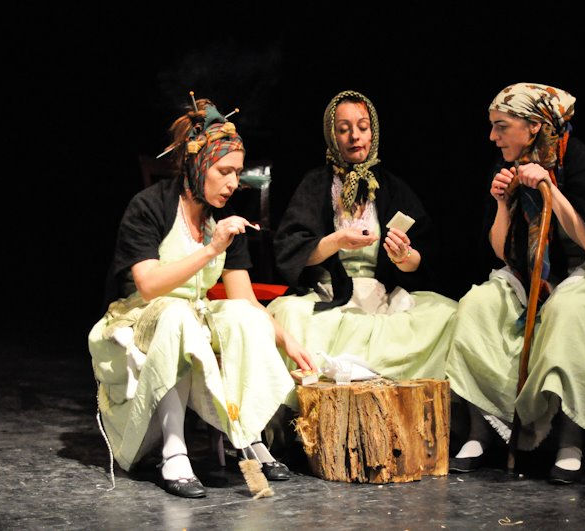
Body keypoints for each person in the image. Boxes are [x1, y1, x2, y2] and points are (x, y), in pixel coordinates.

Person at [88, 99, 316, 498]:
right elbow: (148, 285)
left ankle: (247, 435)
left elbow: (246, 301)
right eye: (223, 171)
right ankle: (174, 452)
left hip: (194, 315)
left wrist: (287, 340)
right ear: (197, 166)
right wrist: (212, 249)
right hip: (140, 317)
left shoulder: (222, 218)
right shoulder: (150, 206)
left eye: (237, 173)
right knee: (176, 314)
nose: (233, 183)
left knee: (245, 319)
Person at [445, 83, 585, 483]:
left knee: (566, 310)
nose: (493, 137)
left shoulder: (579, 160)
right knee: (477, 305)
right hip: (531, 276)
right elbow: (501, 252)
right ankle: (480, 432)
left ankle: (570, 441)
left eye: (501, 126)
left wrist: (550, 188)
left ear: (533, 126)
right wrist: (501, 204)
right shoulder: (507, 164)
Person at [268, 90, 456, 388]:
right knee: (290, 314)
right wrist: (336, 241)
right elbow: (291, 249)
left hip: (381, 297)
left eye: (363, 127)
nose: (355, 136)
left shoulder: (392, 187)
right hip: (331, 295)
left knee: (446, 313)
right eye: (344, 129)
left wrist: (403, 257)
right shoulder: (316, 184)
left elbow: (424, 255)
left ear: (373, 131)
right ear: (332, 136)